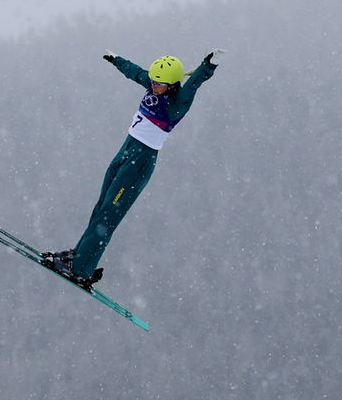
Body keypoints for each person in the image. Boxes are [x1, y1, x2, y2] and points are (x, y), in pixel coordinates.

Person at [45, 50, 223, 285]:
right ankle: (79, 255)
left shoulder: (179, 102)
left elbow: (195, 82)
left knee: (109, 214)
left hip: (140, 161)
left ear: (171, 86)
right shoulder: (152, 85)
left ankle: (81, 269)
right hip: (126, 150)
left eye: (159, 83)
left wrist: (209, 64)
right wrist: (116, 60)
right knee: (101, 207)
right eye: (153, 81)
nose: (153, 85)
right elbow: (136, 73)